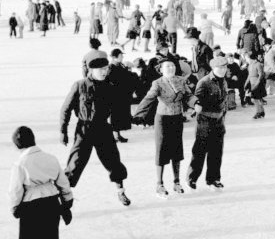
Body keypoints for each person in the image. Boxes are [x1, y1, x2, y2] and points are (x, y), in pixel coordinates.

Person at [60, 57, 131, 206]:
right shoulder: (80, 85)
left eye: (106, 69)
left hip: (103, 129)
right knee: (75, 163)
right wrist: (63, 130)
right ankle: (63, 197)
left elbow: (117, 111)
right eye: (101, 70)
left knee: (113, 161)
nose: (104, 72)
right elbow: (66, 108)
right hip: (84, 129)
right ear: (92, 70)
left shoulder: (110, 86)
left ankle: (121, 191)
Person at [134, 59, 199, 198]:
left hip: (177, 119)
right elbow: (149, 98)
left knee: (177, 150)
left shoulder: (181, 80)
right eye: (167, 66)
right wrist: (139, 114)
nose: (171, 68)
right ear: (161, 69)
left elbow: (188, 96)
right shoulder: (157, 83)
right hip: (163, 119)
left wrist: (196, 103)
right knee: (162, 150)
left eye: (173, 66)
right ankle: (160, 184)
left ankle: (176, 182)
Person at [187, 56, 228, 190]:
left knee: (216, 153)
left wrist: (223, 117)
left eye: (224, 67)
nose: (223, 70)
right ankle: (192, 178)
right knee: (200, 151)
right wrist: (195, 109)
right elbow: (197, 101)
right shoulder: (204, 82)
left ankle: (213, 179)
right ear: (213, 68)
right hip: (205, 122)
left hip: (219, 121)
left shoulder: (224, 82)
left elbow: (224, 101)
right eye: (220, 67)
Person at [105, 49, 138, 143]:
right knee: (115, 116)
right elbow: (113, 81)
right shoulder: (111, 68)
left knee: (119, 116)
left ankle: (117, 135)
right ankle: (115, 136)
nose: (122, 57)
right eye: (121, 56)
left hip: (122, 95)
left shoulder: (120, 65)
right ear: (115, 57)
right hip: (115, 96)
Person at [245, 51, 267, 119]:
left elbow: (261, 75)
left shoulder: (258, 64)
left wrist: (257, 83)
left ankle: (259, 112)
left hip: (257, 84)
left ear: (251, 58)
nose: (246, 60)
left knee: (257, 99)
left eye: (247, 58)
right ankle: (261, 112)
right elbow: (249, 75)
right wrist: (246, 83)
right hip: (252, 83)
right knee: (256, 99)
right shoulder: (250, 65)